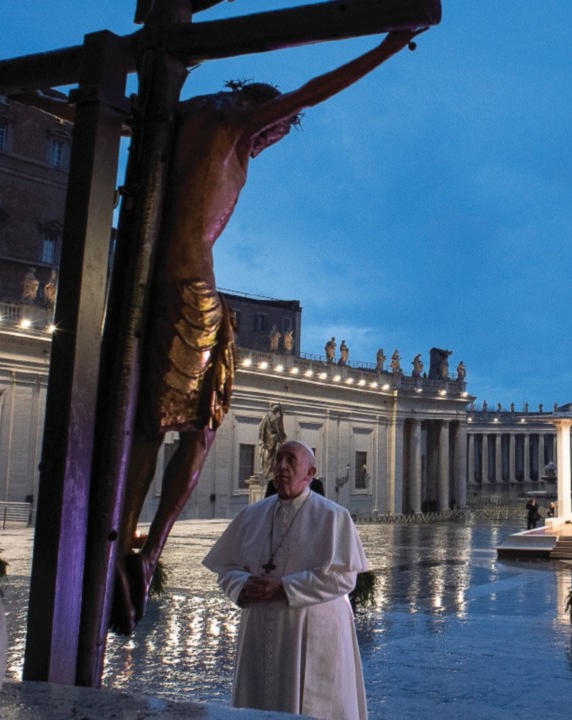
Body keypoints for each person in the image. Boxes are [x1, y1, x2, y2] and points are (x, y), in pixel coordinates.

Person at [111, 29, 423, 635]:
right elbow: (316, 87)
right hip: (190, 292)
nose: (272, 140)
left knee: (149, 424)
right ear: (261, 110)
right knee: (197, 430)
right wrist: (392, 41)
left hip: (146, 287)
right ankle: (146, 552)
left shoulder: (178, 119)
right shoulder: (234, 122)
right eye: (277, 130)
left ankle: (119, 536)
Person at [203, 441, 369, 718]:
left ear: (309, 472)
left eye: (290, 461)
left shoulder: (333, 517)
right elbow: (226, 567)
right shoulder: (251, 515)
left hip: (310, 628)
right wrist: (241, 586)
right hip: (258, 627)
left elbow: (344, 577)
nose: (281, 467)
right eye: (278, 460)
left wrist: (285, 588)